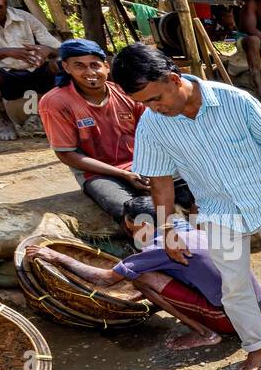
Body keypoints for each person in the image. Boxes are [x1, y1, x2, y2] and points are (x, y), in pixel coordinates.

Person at [110, 43, 261, 370]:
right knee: (233, 284)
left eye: (155, 99)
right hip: (219, 214)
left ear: (174, 79)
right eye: (144, 103)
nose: (153, 108)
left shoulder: (236, 101)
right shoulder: (152, 125)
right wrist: (167, 230)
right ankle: (256, 347)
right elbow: (160, 182)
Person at [38, 39, 195, 241]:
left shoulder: (126, 92)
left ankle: (198, 239)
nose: (89, 72)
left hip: (141, 164)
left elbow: (152, 133)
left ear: (106, 65)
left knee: (192, 191)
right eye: (79, 65)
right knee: (140, 213)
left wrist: (149, 168)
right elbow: (67, 154)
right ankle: (148, 252)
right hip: (98, 173)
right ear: (66, 67)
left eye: (95, 64)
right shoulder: (55, 102)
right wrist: (123, 174)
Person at [23, 221, 261, 351]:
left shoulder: (160, 247)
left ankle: (207, 334)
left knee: (143, 277)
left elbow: (105, 279)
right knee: (157, 272)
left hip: (232, 320)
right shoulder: (189, 228)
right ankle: (209, 323)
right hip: (257, 307)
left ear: (134, 224)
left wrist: (59, 258)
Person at [0, 0, 60, 141]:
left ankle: (72, 113)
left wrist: (46, 50)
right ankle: (6, 123)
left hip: (37, 72)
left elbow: (60, 49)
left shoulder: (24, 17)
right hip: (6, 79)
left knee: (63, 62)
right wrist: (6, 52)